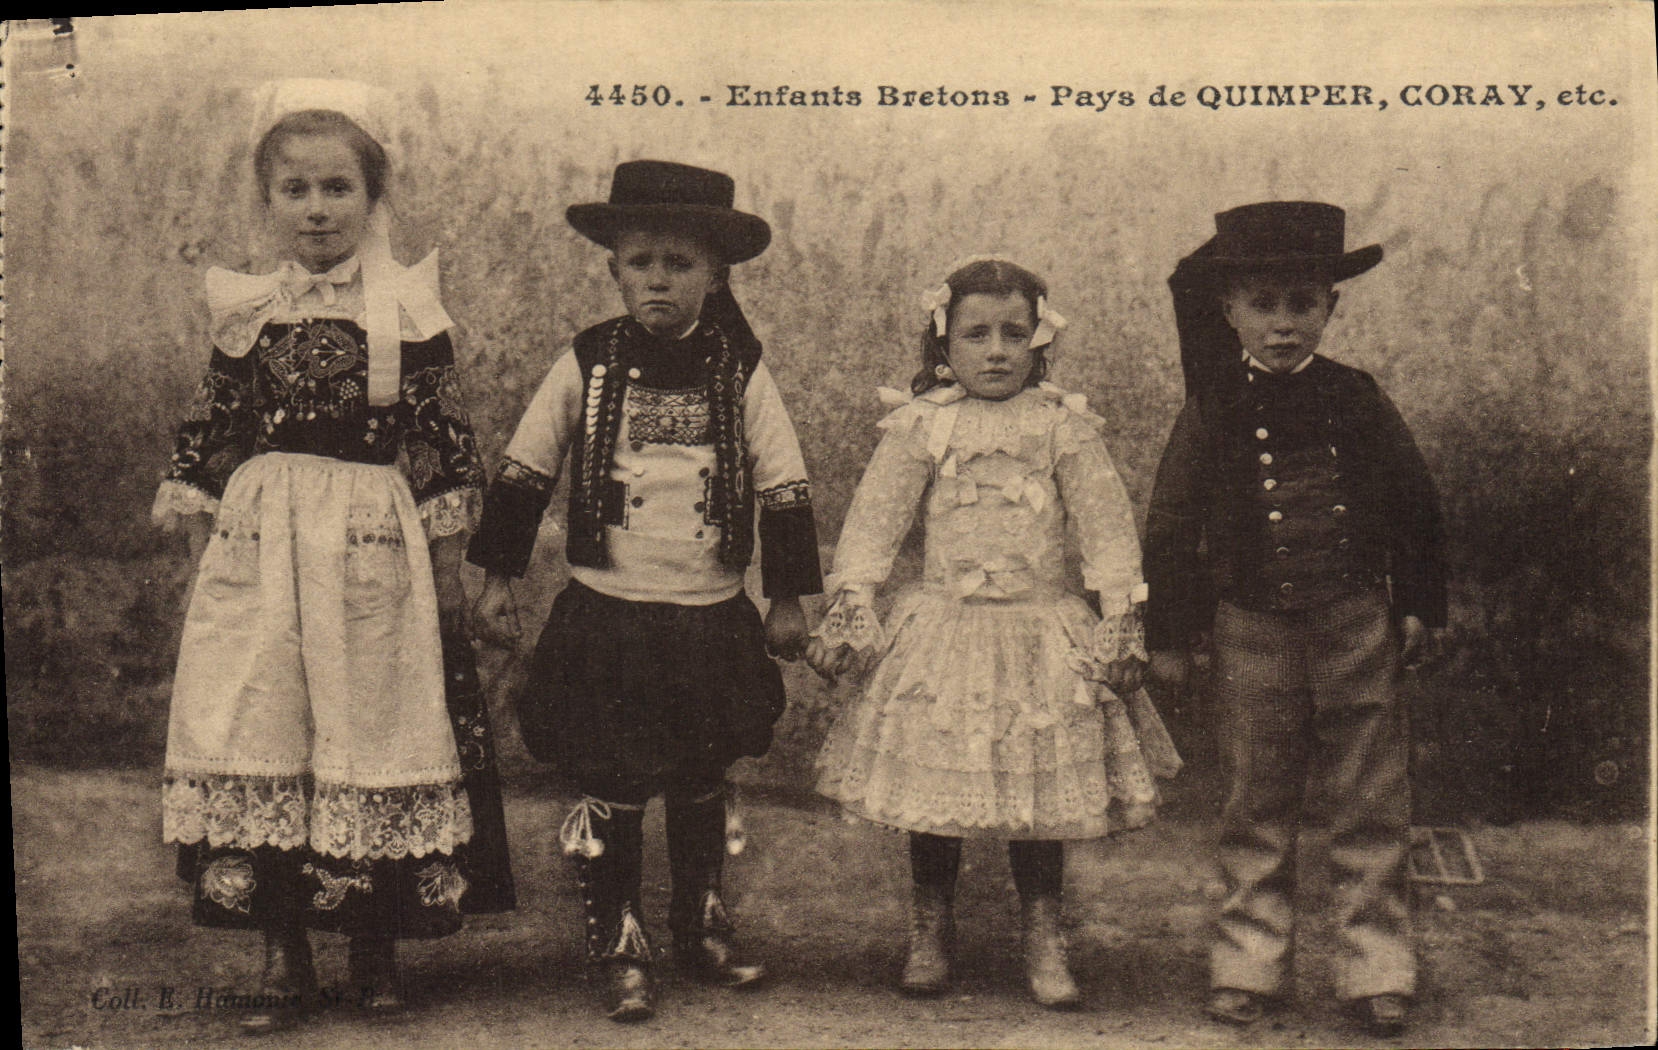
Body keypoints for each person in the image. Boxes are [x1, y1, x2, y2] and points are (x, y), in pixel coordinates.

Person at [153, 79, 514, 1033]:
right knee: (268, 724)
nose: (317, 209)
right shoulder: (248, 309)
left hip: (368, 546)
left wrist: (447, 581)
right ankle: (282, 949)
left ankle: (374, 946)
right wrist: (206, 558)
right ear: (266, 199)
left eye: (338, 188)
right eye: (295, 189)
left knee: (372, 723)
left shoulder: (406, 309)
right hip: (262, 546)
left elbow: (443, 446)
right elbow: (208, 438)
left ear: (373, 195)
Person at [467, 160, 823, 1023]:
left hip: (706, 614)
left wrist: (785, 599)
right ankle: (618, 937)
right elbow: (526, 468)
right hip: (607, 616)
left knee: (701, 774)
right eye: (640, 262)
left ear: (716, 274)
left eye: (680, 263)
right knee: (614, 777)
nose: (658, 279)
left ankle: (699, 919)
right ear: (614, 268)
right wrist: (497, 579)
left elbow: (783, 482)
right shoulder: (589, 360)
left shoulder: (740, 367)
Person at [808, 257, 1181, 1008]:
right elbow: (876, 520)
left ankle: (1044, 935)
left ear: (1040, 342)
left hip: (1041, 630)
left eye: (1016, 333)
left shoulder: (1062, 426)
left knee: (1037, 797)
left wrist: (1118, 616)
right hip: (943, 631)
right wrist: (855, 599)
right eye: (976, 334)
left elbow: (1106, 528)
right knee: (937, 787)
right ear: (942, 345)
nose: (998, 349)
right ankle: (930, 928)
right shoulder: (921, 424)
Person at [1144, 201, 1448, 1037]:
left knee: (1370, 799)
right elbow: (1171, 521)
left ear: (1330, 308)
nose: (1283, 325)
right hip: (1252, 629)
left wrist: (1418, 602)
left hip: (1356, 622)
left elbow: (1413, 502)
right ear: (1230, 311)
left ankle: (1377, 966)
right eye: (1263, 305)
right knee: (1255, 800)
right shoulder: (1212, 402)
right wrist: (1169, 634)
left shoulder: (1356, 395)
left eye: (1302, 304)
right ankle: (1247, 962)